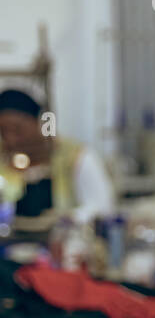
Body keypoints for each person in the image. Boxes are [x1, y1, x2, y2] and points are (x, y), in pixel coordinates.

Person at [0, 88, 114, 224]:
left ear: (40, 122)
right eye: (3, 131)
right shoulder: (3, 160)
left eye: (17, 130)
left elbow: (102, 207)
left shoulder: (76, 156)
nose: (11, 139)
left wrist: (66, 219)